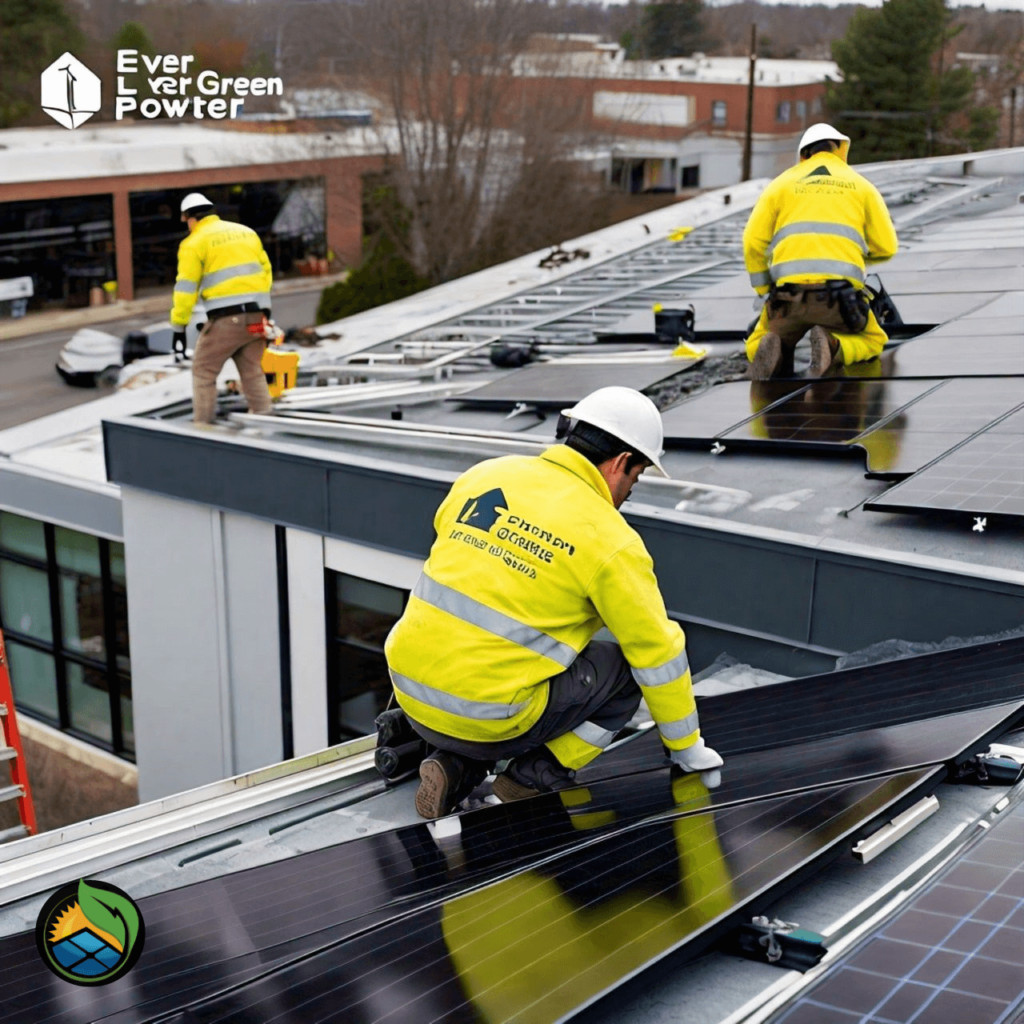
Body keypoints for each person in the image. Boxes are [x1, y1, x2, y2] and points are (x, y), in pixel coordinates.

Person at [383, 386, 723, 819]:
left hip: (409, 694)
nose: (629, 493)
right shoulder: (611, 539)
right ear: (621, 463)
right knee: (626, 671)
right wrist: (686, 747)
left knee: (496, 662)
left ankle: (454, 764)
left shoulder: (486, 476)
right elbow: (658, 652)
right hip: (490, 719)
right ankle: (532, 776)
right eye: (635, 478)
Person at [743, 123, 898, 380]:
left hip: (787, 299)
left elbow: (752, 242)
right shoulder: (861, 186)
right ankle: (833, 346)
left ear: (804, 154)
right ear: (840, 151)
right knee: (873, 338)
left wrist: (764, 291)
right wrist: (854, 258)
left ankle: (771, 347)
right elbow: (887, 247)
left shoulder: (779, 185)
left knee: (759, 338)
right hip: (840, 301)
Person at [170, 192, 274, 424]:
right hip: (257, 315)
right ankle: (266, 420)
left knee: (203, 372)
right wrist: (263, 310)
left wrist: (179, 325)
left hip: (226, 319)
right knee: (252, 370)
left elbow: (186, 289)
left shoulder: (193, 243)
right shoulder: (246, 232)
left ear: (190, 218)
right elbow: (266, 272)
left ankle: (203, 428)